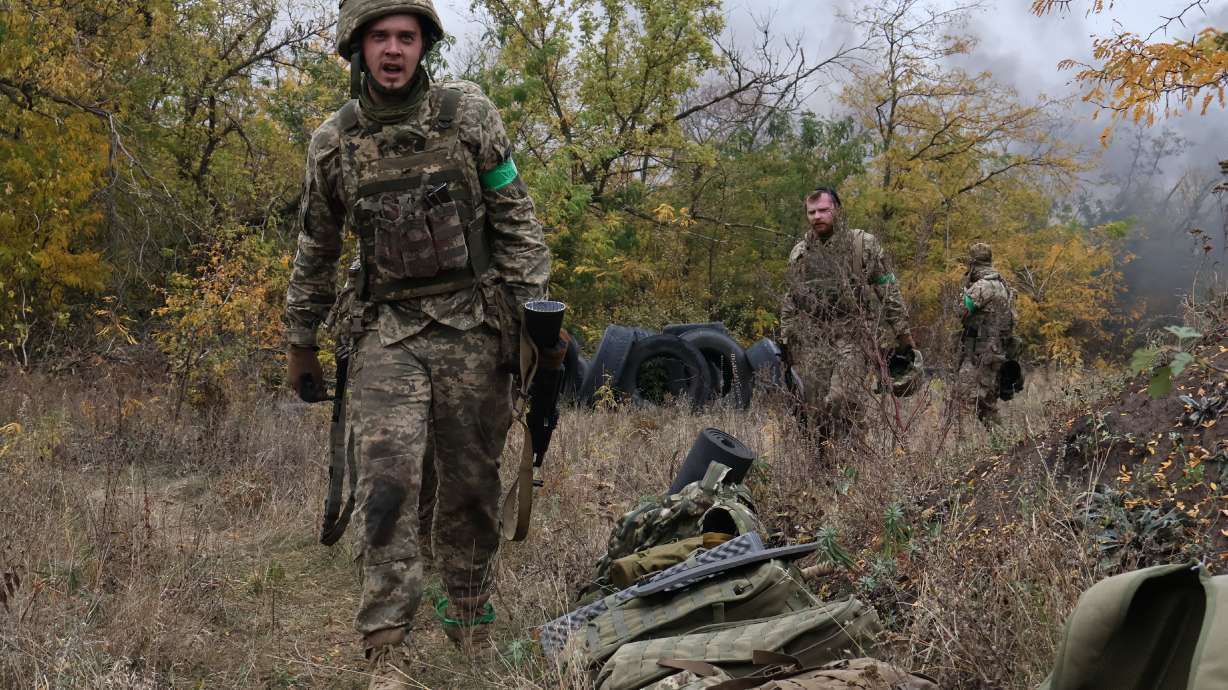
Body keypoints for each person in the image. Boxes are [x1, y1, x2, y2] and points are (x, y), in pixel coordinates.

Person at [283, 0, 551, 684]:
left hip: (472, 327)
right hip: (384, 334)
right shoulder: (333, 142)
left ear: (425, 44)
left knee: (470, 486)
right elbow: (316, 247)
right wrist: (301, 339)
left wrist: (538, 320)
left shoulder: (470, 117)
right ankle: (388, 650)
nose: (394, 50)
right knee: (388, 486)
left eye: (407, 37)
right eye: (381, 38)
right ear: (357, 47)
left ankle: (468, 621)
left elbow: (513, 213)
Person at [779, 186, 913, 440]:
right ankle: (825, 466)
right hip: (814, 339)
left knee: (844, 399)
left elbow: (887, 289)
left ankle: (858, 459)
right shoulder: (800, 252)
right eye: (811, 212)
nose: (817, 216)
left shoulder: (863, 244)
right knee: (815, 409)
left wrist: (903, 334)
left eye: (823, 210)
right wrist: (786, 340)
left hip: (853, 334)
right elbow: (791, 299)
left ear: (837, 210)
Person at [955, 242, 1016, 425]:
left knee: (962, 402)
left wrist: (963, 293)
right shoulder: (1002, 285)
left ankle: (961, 450)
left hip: (979, 355)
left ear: (972, 263)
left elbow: (961, 312)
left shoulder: (983, 286)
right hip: (995, 353)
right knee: (986, 406)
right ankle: (1005, 445)